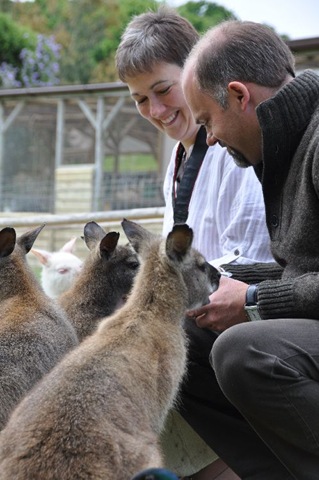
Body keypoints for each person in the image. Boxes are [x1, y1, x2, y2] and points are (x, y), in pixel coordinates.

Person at [115, 8, 274, 480]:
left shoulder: (233, 140)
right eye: (140, 100)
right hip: (203, 301)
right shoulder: (182, 157)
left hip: (246, 308)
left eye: (163, 91)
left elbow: (254, 258)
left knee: (154, 342)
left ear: (195, 70)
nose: (156, 112)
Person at [182, 19, 319, 479]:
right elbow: (306, 269)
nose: (212, 139)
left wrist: (256, 302)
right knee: (178, 337)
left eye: (207, 121)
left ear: (239, 96)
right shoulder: (282, 144)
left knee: (245, 350)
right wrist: (225, 280)